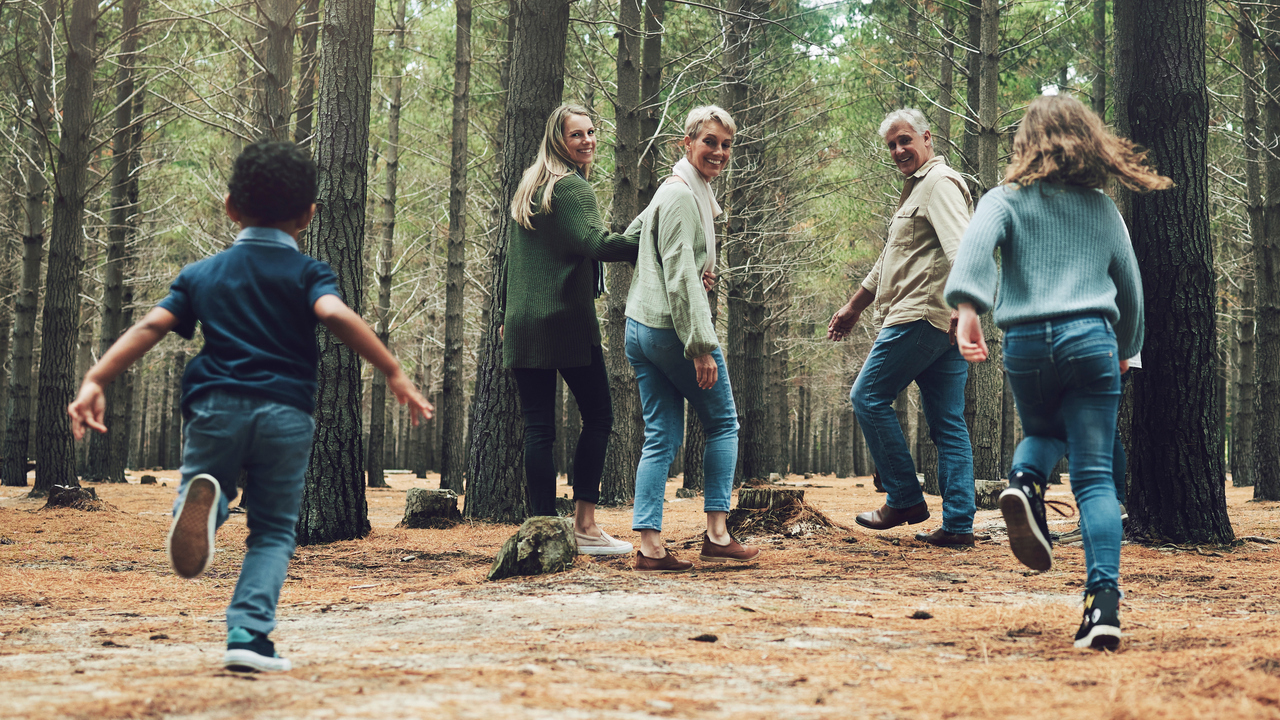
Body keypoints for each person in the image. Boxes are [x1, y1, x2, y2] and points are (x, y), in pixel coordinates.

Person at [66, 140, 434, 672]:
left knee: (208, 480)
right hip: (285, 413)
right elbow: (334, 314)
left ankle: (205, 506)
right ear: (309, 215)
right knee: (273, 530)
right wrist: (393, 371)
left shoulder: (201, 274)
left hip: (215, 405)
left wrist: (96, 378)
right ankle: (248, 633)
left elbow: (151, 326)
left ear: (230, 206)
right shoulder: (308, 273)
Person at [945, 94, 1169, 650]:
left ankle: (1025, 482)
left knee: (1043, 432)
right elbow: (1132, 287)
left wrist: (968, 309)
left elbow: (974, 246)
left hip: (1025, 342)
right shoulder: (1101, 208)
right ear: (1089, 142)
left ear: (1026, 142)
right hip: (1092, 339)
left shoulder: (1006, 199)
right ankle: (1103, 609)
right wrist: (1126, 346)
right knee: (1094, 477)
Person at [827, 108, 977, 547]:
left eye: (905, 140)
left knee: (867, 396)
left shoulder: (938, 184)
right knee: (948, 422)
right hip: (937, 321)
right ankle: (958, 526)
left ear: (927, 138)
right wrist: (855, 305)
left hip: (923, 315)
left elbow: (964, 248)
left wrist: (964, 304)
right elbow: (890, 260)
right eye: (892, 145)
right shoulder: (915, 191)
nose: (899, 150)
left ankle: (905, 498)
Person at [623, 105, 760, 572]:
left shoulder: (674, 187)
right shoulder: (684, 197)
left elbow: (635, 237)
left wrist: (662, 268)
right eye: (710, 142)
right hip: (669, 331)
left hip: (638, 327)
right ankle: (718, 534)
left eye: (726, 145)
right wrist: (700, 346)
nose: (719, 152)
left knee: (660, 435)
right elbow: (681, 275)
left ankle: (649, 545)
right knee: (723, 423)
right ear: (687, 143)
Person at [503, 103, 638, 556]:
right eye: (576, 134)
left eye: (591, 132)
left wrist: (505, 318)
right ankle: (584, 527)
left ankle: (541, 532)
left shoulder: (530, 186)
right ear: (558, 139)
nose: (588, 140)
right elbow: (596, 244)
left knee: (537, 428)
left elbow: (514, 263)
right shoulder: (573, 188)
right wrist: (650, 239)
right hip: (564, 321)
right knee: (599, 416)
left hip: (522, 322)